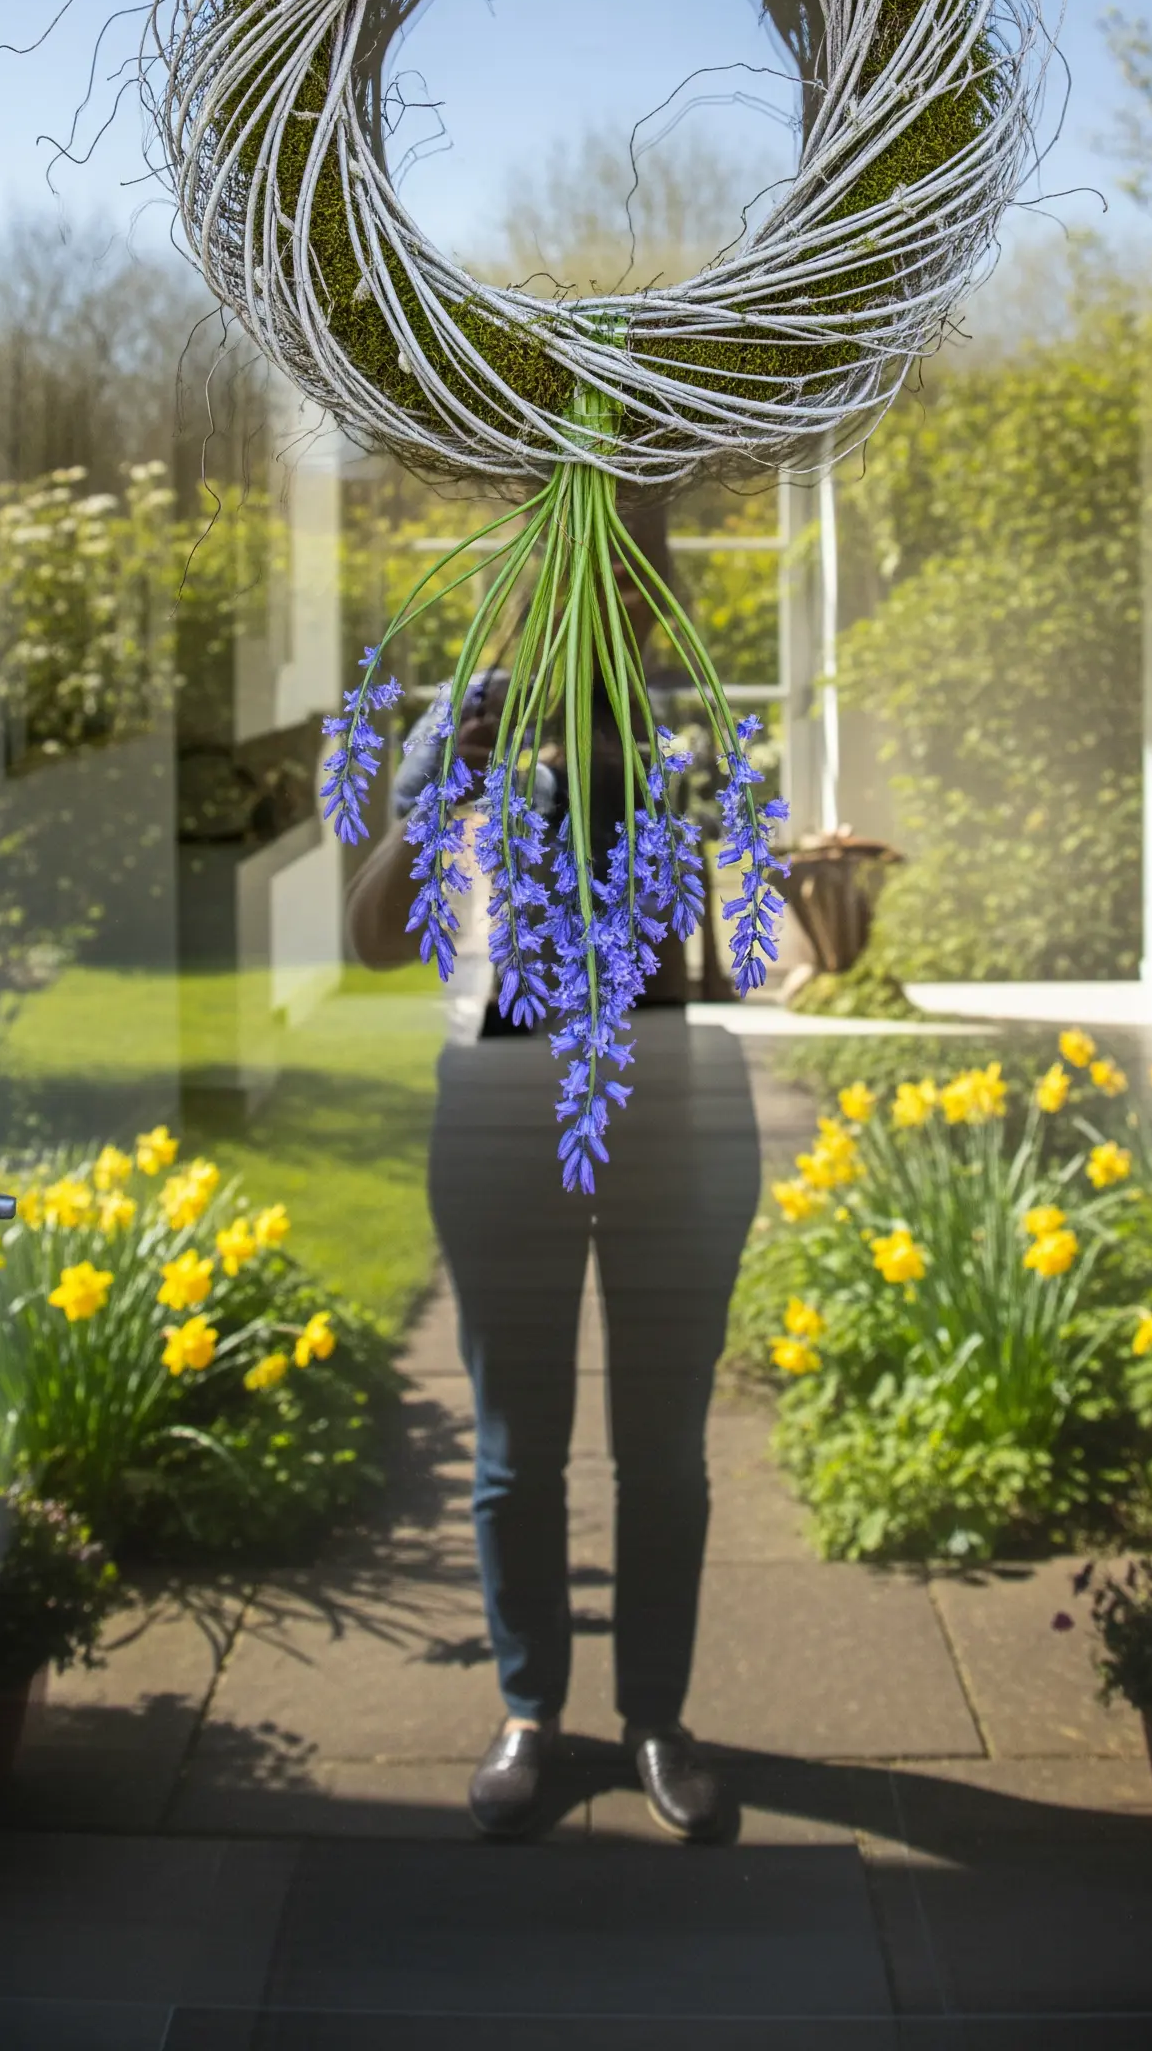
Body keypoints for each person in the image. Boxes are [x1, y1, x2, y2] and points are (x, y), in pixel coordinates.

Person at [345, 507, 760, 1842]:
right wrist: (449, 799)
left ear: (654, 587)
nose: (611, 597)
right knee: (515, 1446)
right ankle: (530, 1709)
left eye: (636, 574)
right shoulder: (467, 716)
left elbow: (751, 949)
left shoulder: (695, 722)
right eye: (587, 568)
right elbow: (373, 940)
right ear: (533, 578)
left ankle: (655, 1719)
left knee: (666, 1453)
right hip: (505, 1112)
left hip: (674, 1114)